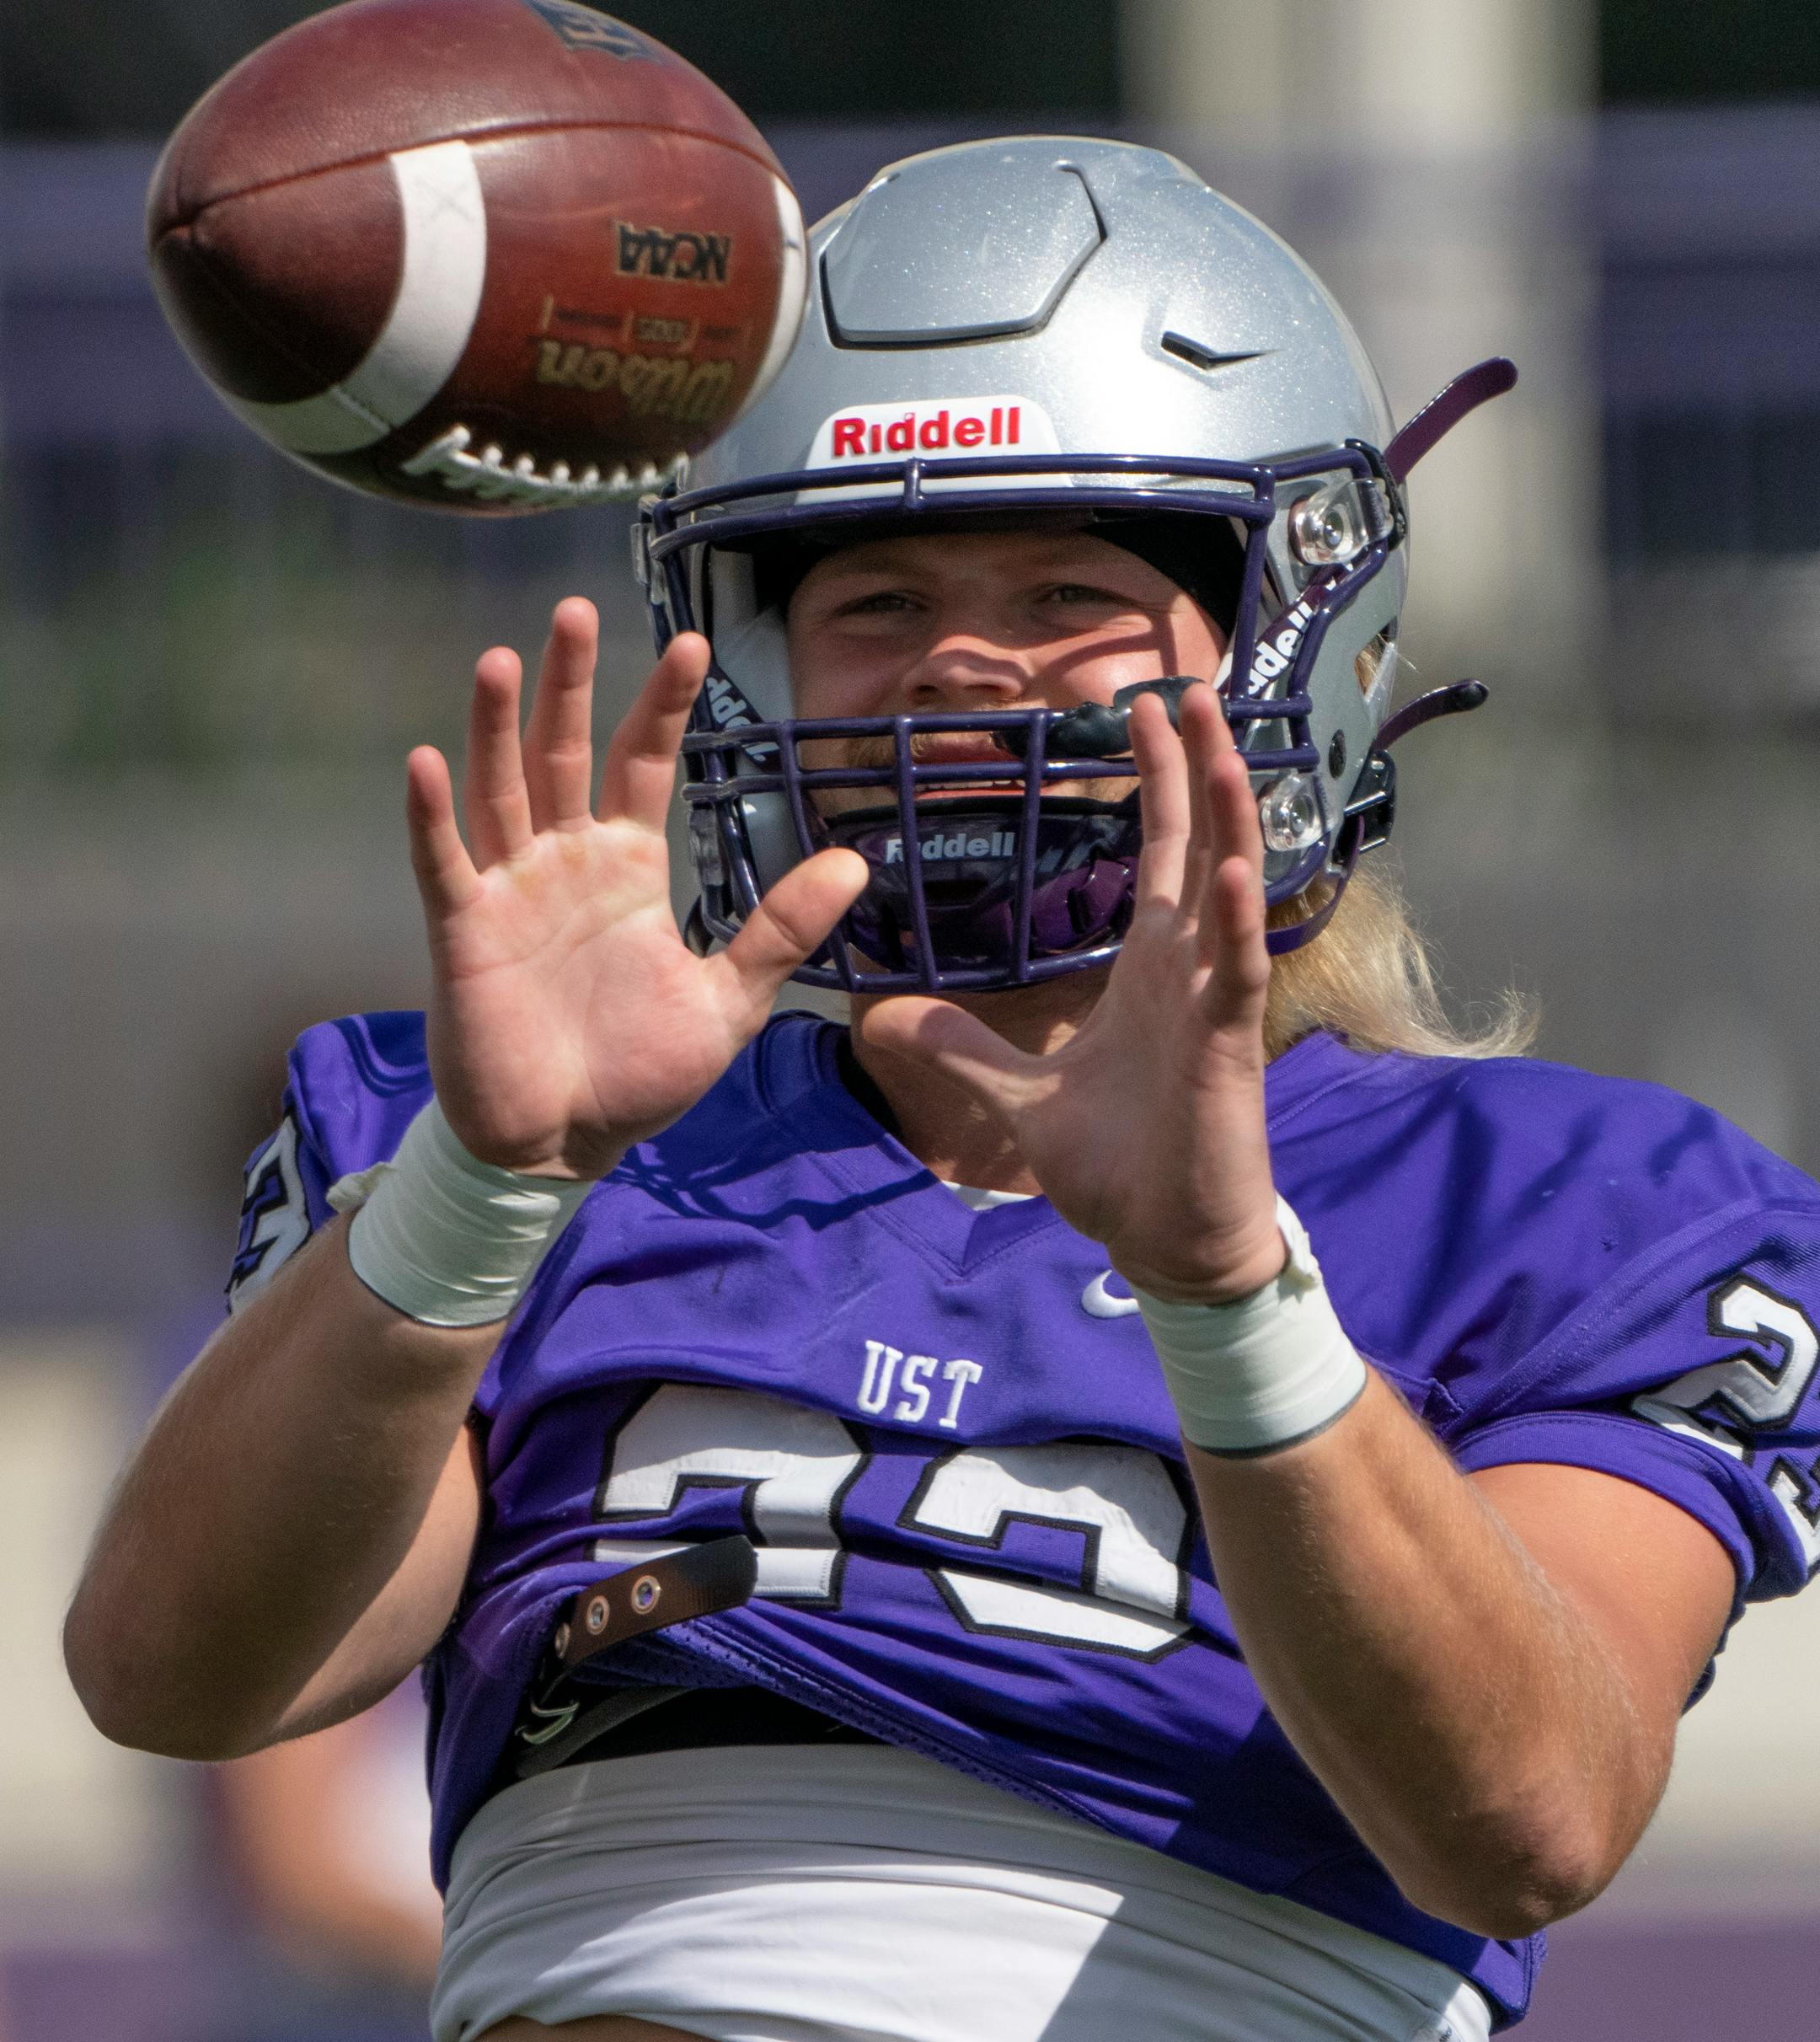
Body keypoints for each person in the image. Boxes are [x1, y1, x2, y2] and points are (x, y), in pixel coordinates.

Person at [66, 139, 1820, 2042]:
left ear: (1297, 640)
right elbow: (177, 1676)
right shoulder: (544, 1160)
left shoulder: (1570, 1201)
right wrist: (482, 1186)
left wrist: (1232, 1296)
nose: (967, 662)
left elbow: (1529, 1819)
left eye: (1068, 588)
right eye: (878, 601)